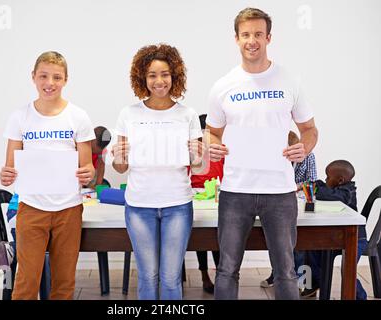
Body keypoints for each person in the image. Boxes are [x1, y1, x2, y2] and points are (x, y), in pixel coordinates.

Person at [206, 8, 318, 300]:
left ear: (268, 37)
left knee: (286, 270)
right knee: (227, 269)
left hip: (279, 192)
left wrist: (304, 146)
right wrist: (211, 143)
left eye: (258, 34)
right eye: (246, 35)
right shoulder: (223, 86)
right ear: (236, 39)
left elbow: (310, 129)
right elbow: (211, 132)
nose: (251, 40)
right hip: (235, 191)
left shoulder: (289, 81)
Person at [0, 51, 95, 300]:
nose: (49, 83)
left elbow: (88, 169)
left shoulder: (78, 116)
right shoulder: (20, 117)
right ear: (33, 77)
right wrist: (6, 175)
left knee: (64, 282)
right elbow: (10, 167)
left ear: (65, 80)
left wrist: (88, 173)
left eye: (56, 77)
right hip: (31, 206)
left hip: (69, 208)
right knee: (27, 281)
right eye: (43, 76)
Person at [112, 44, 203, 300]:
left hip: (178, 204)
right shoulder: (128, 114)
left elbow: (197, 166)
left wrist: (198, 154)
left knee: (171, 278)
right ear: (143, 78)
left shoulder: (187, 114)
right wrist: (119, 155)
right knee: (147, 276)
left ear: (174, 76)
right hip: (140, 205)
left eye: (164, 74)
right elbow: (121, 167)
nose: (159, 81)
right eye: (152, 75)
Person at [300, 160, 368, 299]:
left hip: (355, 238)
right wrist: (317, 184)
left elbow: (331, 196)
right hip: (336, 236)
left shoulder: (347, 192)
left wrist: (317, 188)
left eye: (327, 177)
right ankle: (314, 283)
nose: (325, 180)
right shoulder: (336, 187)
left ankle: (360, 296)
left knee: (348, 269)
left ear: (340, 180)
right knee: (311, 248)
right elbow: (324, 188)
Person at [260, 130, 317, 288]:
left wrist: (293, 187)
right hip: (277, 203)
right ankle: (276, 274)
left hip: (300, 203)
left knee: (296, 244)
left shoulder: (308, 157)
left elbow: (312, 182)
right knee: (276, 242)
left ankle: (298, 280)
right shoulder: (272, 158)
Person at [190, 114, 222, 294]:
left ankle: (220, 274)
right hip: (196, 194)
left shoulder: (220, 148)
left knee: (218, 235)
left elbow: (226, 169)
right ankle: (204, 275)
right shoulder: (193, 150)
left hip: (218, 193)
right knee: (201, 236)